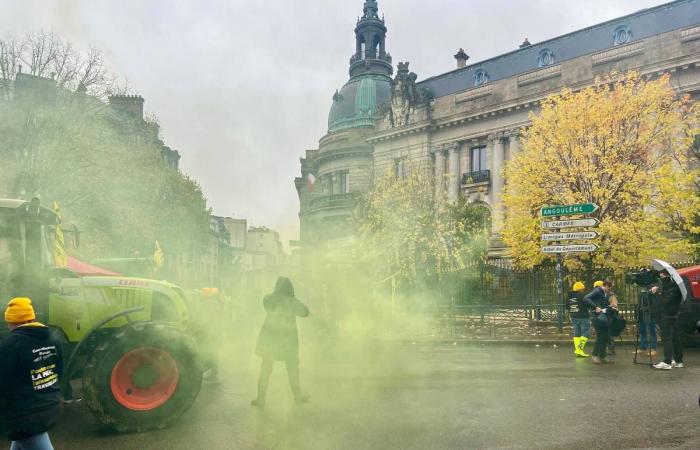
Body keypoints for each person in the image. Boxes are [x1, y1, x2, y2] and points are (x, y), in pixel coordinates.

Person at [0, 298, 63, 450]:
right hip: (48, 403)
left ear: (12, 321)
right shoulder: (53, 339)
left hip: (27, 414)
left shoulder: (10, 345)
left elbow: (3, 382)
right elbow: (59, 371)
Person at [251, 277, 310, 407]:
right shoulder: (292, 302)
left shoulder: (269, 299)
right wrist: (292, 299)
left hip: (270, 340)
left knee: (266, 369)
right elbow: (306, 312)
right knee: (293, 369)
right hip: (288, 341)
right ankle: (298, 396)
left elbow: (266, 304)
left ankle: (261, 398)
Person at [651, 270, 684, 370]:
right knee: (675, 339)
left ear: (667, 276)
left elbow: (665, 302)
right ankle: (678, 361)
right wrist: (660, 290)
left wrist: (656, 293)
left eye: (662, 277)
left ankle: (667, 361)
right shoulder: (673, 287)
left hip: (668, 316)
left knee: (667, 339)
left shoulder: (673, 289)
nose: (661, 279)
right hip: (673, 316)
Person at [584, 280, 614, 364]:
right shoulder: (597, 291)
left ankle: (602, 356)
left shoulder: (604, 294)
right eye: (610, 288)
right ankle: (595, 355)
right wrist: (595, 307)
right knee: (600, 336)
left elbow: (602, 304)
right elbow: (586, 298)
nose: (610, 290)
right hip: (597, 318)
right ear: (606, 286)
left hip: (603, 317)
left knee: (604, 336)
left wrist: (609, 307)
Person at [566, 281, 590, 357]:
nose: (583, 290)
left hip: (573, 316)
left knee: (577, 333)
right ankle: (579, 350)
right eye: (583, 289)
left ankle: (578, 351)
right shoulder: (582, 296)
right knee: (586, 333)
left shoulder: (569, 296)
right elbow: (588, 304)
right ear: (581, 289)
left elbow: (567, 306)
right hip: (583, 316)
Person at [634, 290, 658, 357]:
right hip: (641, 313)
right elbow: (639, 304)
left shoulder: (651, 291)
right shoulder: (641, 293)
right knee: (642, 331)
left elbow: (653, 304)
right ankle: (643, 347)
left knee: (651, 331)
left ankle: (653, 349)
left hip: (649, 313)